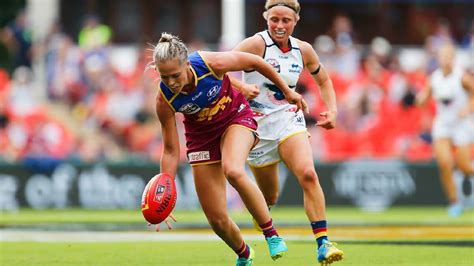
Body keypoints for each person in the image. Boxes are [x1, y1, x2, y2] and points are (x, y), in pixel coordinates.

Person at [151, 32, 307, 265]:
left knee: (233, 169)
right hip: (201, 138)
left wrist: (287, 90)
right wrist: (166, 190)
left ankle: (271, 234)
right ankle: (244, 254)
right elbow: (171, 150)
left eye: (175, 75)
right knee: (217, 220)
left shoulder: (209, 63)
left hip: (236, 118)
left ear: (186, 64)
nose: (171, 82)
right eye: (164, 77)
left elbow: (255, 61)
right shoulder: (164, 100)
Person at [231, 1, 343, 264]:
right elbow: (217, 69)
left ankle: (323, 243)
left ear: (296, 21)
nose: (280, 26)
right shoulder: (255, 45)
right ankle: (263, 216)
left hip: (289, 120)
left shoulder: (303, 50)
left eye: (286, 20)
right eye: (275, 20)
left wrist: (333, 110)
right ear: (265, 18)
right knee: (269, 196)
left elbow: (323, 79)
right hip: (256, 127)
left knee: (308, 173)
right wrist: (242, 88)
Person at [416, 43, 474, 217]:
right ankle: (454, 202)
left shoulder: (461, 77)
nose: (445, 60)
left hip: (461, 124)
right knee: (445, 163)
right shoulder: (434, 78)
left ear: (453, 58)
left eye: (448, 56)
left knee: (464, 165)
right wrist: (419, 99)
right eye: (442, 56)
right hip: (443, 123)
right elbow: (423, 99)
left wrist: (468, 108)